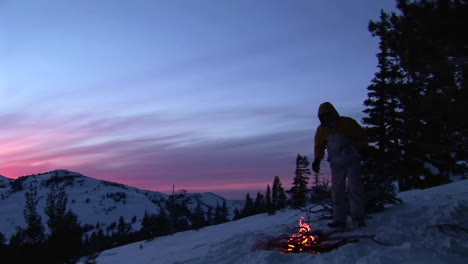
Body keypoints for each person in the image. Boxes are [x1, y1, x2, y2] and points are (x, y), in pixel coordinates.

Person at [312, 102, 368, 229]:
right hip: (336, 163)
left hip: (352, 160)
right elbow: (319, 146)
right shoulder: (322, 130)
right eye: (323, 116)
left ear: (333, 113)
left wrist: (364, 149)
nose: (326, 118)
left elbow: (361, 136)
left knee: (354, 189)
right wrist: (317, 159)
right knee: (337, 191)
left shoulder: (347, 123)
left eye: (328, 115)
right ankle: (339, 219)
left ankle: (358, 218)